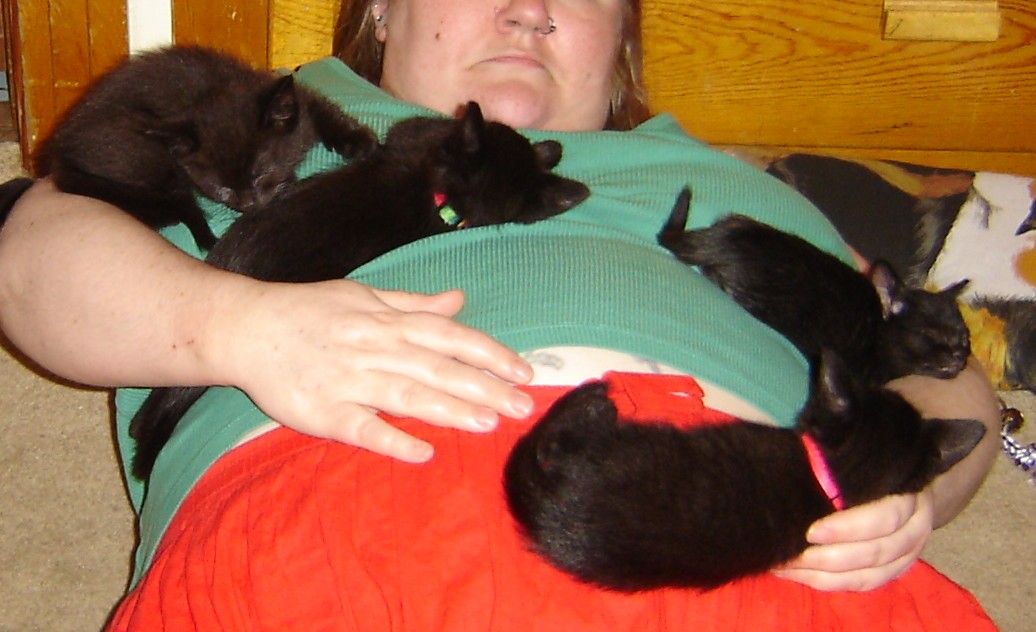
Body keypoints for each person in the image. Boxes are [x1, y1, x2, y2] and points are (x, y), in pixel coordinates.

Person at [0, 0, 1001, 629]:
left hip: (751, 532)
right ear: (380, 10)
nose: (529, 11)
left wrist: (903, 492)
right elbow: (30, 261)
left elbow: (944, 382)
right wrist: (244, 330)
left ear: (621, 48)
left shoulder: (739, 189)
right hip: (344, 494)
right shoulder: (258, 117)